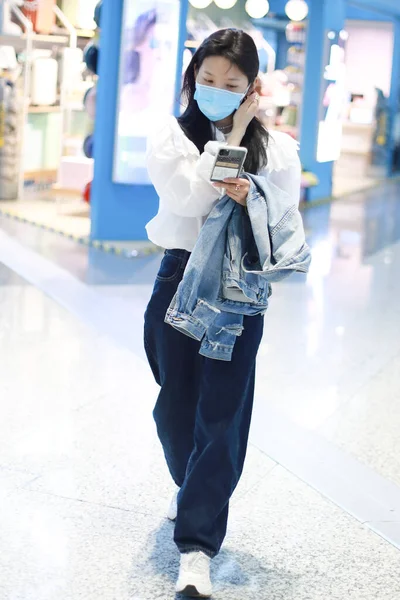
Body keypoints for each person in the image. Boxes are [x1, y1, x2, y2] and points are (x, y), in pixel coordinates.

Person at [144, 29, 303, 598]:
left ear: (252, 88)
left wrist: (254, 196)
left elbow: (287, 218)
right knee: (174, 406)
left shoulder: (279, 147)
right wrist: (229, 141)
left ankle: (197, 545)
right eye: (207, 80)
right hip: (179, 276)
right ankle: (191, 489)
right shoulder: (170, 135)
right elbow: (186, 198)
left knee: (222, 413)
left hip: (239, 286)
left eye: (231, 85)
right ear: (192, 78)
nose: (215, 90)